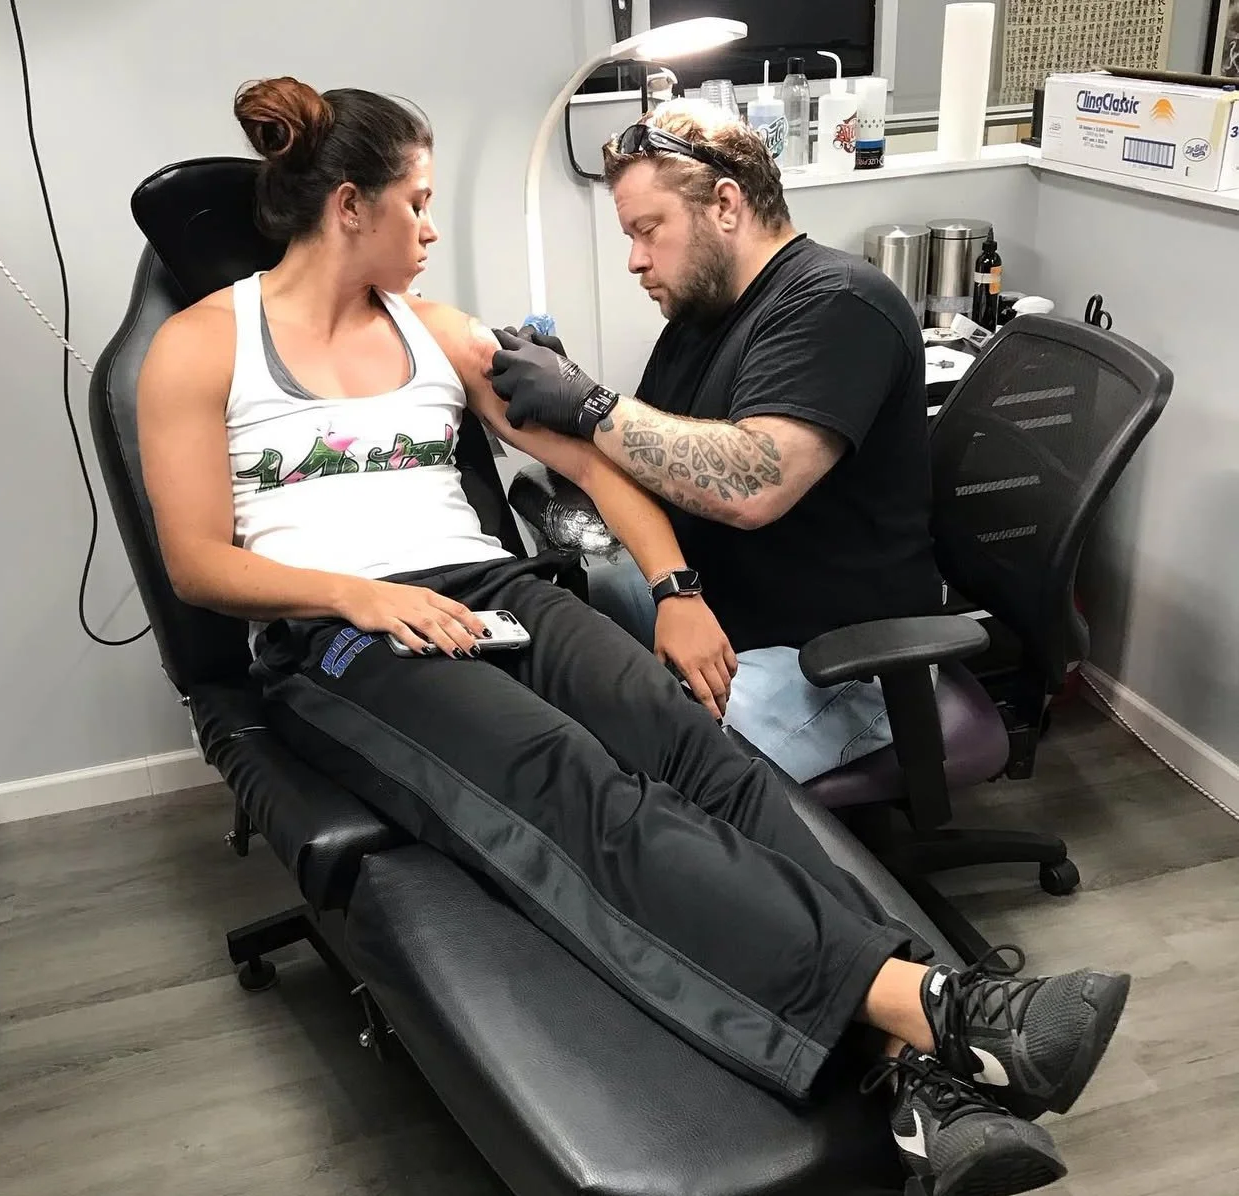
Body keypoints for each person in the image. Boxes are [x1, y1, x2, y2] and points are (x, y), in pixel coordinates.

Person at [137, 77, 1129, 1196]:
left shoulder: (444, 334)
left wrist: (674, 588)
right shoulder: (200, 346)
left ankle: (927, 1079)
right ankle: (939, 1011)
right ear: (348, 206)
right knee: (575, 783)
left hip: (491, 584)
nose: (429, 229)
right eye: (415, 204)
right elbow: (197, 564)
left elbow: (591, 460)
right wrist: (356, 596)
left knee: (696, 748)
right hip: (338, 632)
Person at [490, 101, 946, 783]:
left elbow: (753, 482)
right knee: (538, 685)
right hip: (723, 616)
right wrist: (565, 406)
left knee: (628, 789)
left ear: (726, 205)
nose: (635, 261)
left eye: (648, 230)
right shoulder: (703, 315)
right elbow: (664, 463)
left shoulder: (837, 303)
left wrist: (589, 404)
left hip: (839, 664)